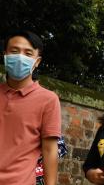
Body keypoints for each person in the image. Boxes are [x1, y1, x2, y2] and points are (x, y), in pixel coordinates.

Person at [0, 30, 61, 185]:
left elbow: (50, 150)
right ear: (5, 55)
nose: (20, 57)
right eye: (14, 51)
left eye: (28, 53)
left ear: (37, 61)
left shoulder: (48, 100)